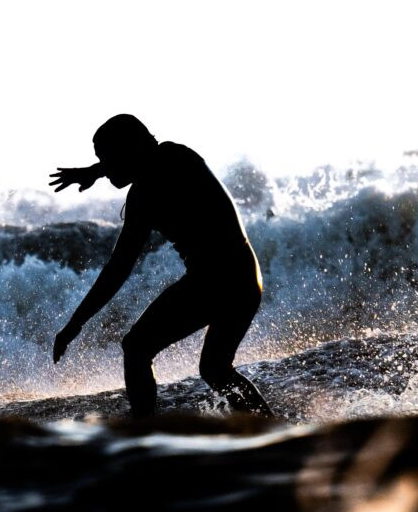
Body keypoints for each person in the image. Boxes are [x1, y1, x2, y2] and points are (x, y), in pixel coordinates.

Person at [48, 114, 273, 417]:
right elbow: (141, 157)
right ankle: (271, 426)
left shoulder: (144, 194)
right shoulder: (175, 155)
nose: (105, 165)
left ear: (127, 152)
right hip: (246, 276)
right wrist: (96, 170)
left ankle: (144, 432)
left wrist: (75, 323)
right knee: (214, 368)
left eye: (106, 157)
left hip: (214, 279)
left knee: (137, 348)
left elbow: (118, 268)